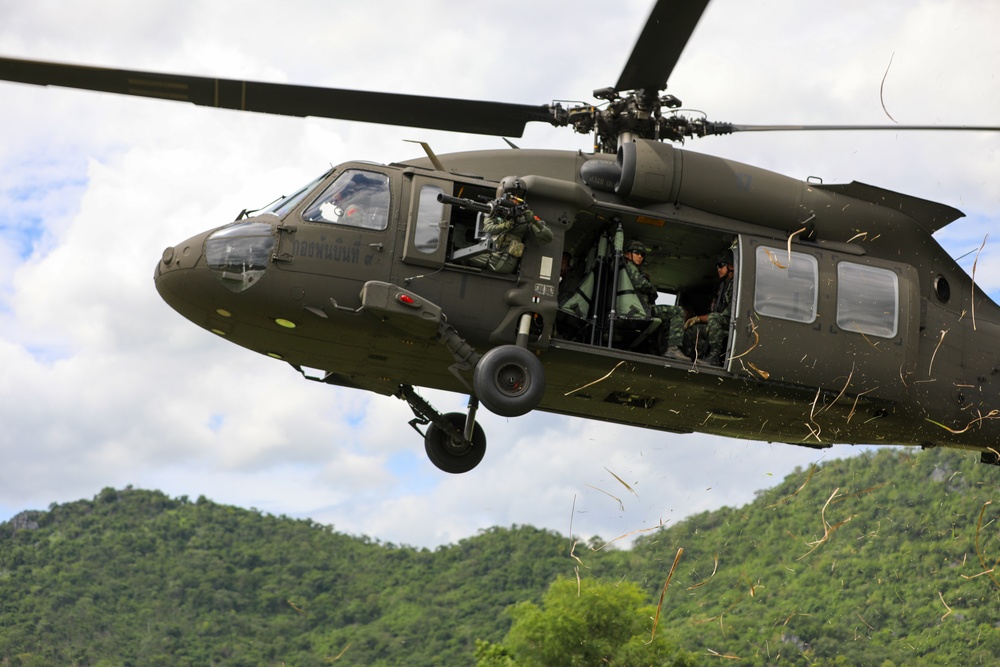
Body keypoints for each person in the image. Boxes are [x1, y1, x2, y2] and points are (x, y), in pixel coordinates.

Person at [622, 240, 688, 360]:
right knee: (677, 311)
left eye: (642, 254)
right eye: (637, 253)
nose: (640, 257)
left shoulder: (623, 267)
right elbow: (641, 284)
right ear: (627, 253)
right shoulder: (629, 266)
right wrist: (652, 289)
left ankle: (663, 350)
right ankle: (672, 349)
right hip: (639, 310)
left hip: (636, 308)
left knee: (662, 321)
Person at [466, 203, 552, 274]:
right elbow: (488, 228)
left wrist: (534, 221)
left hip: (504, 261)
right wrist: (506, 225)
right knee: (464, 253)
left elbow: (548, 237)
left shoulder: (525, 219)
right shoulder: (494, 211)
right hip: (491, 254)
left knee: (466, 257)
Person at [685, 249, 734, 365]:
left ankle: (714, 357)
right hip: (720, 322)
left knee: (714, 319)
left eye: (721, 265)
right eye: (717, 266)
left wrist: (698, 318)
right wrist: (696, 320)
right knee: (693, 331)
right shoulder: (722, 285)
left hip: (732, 322)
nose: (718, 269)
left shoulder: (736, 285)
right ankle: (693, 359)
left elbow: (725, 314)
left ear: (731, 266)